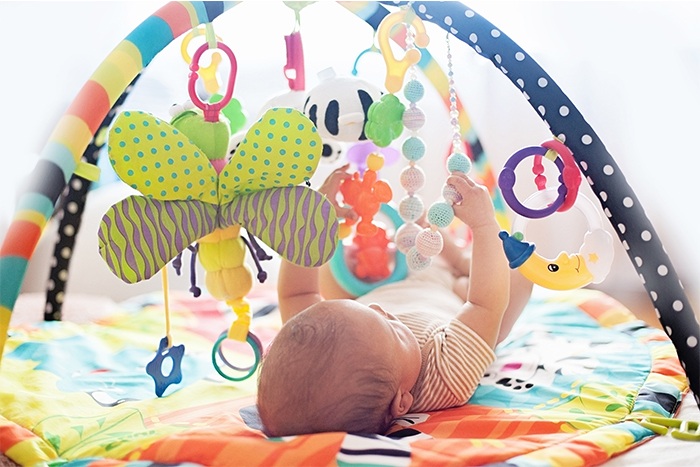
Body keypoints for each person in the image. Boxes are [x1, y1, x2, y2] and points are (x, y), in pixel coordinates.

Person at [256, 165, 533, 436]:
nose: (380, 310)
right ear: (402, 401)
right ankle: (461, 261)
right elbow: (484, 303)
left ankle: (447, 258)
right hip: (459, 297)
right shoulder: (447, 376)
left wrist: (314, 223)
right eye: (392, 330)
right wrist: (484, 224)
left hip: (389, 283)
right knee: (518, 278)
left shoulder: (355, 341)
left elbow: (297, 294)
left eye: (369, 312)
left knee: (336, 277)